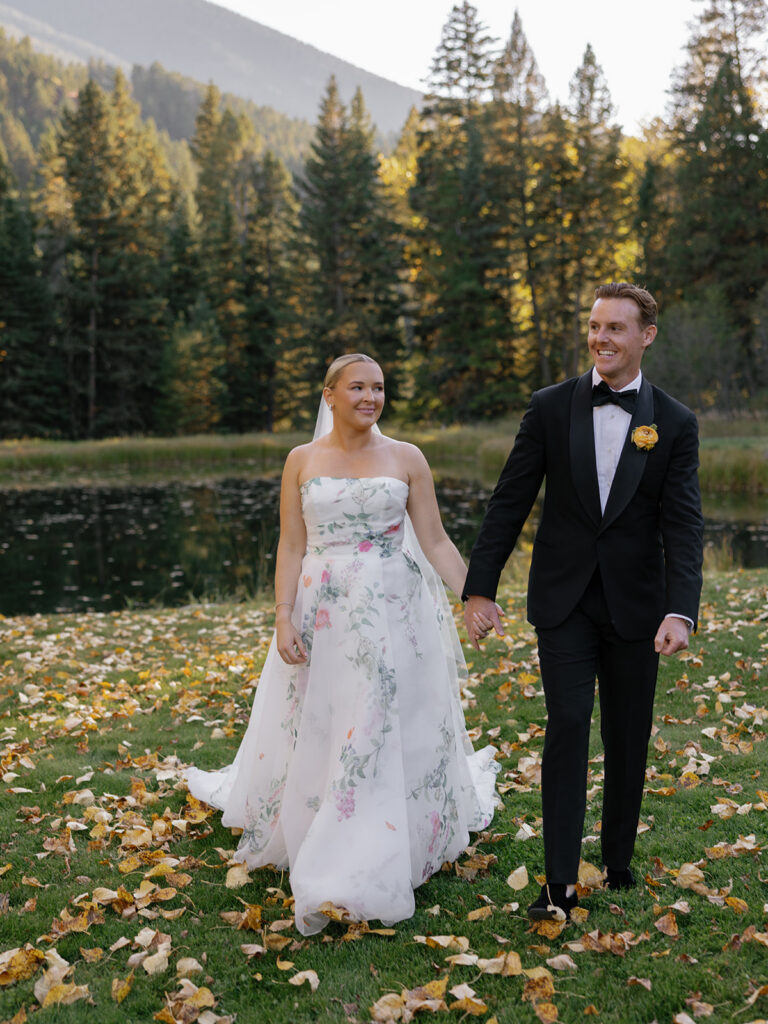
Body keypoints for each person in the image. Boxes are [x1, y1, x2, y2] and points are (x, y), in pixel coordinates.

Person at [186, 353, 499, 936]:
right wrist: (283, 616)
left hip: (394, 610)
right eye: (358, 387)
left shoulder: (408, 458)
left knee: (383, 718)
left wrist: (473, 596)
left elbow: (433, 539)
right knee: (329, 720)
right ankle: (319, 820)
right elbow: (289, 546)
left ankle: (384, 836)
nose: (370, 397)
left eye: (379, 388)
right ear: (329, 395)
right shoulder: (301, 460)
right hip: (323, 610)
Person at [463, 282, 703, 921]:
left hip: (638, 608)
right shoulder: (549, 407)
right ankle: (559, 884)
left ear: (645, 335)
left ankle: (618, 859)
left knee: (628, 735)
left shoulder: (674, 422)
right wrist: (480, 587)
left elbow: (683, 525)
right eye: (595, 326)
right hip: (562, 601)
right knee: (568, 726)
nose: (600, 338)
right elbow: (509, 501)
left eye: (615, 328)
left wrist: (681, 610)